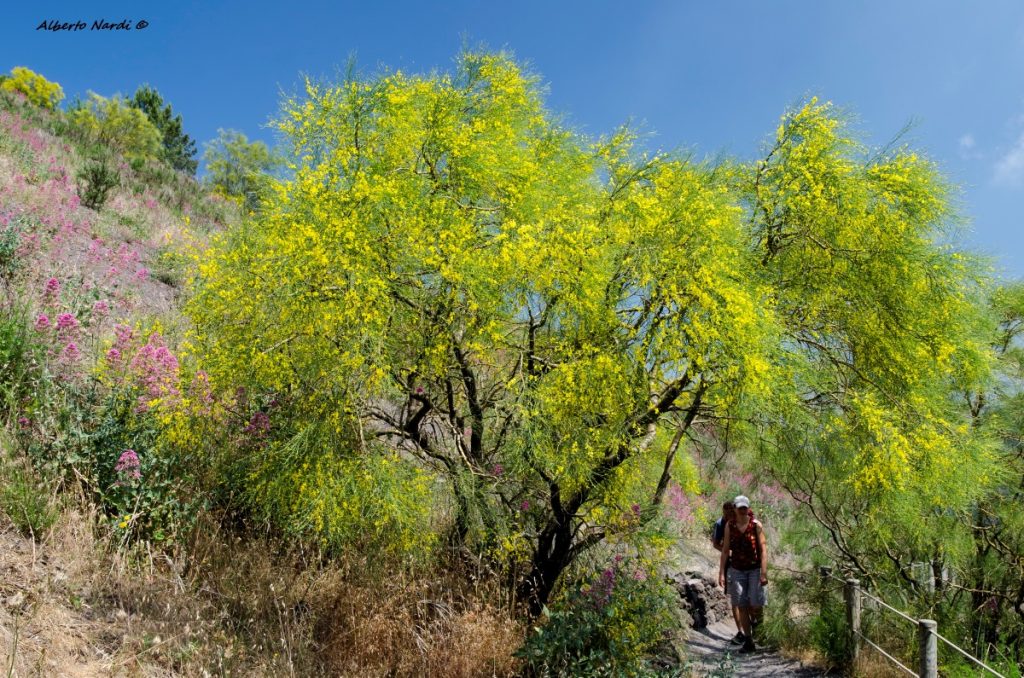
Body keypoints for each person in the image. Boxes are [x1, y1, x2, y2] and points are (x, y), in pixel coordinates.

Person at [718, 494, 767, 654]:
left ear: (748, 508)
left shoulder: (756, 525)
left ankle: (760, 628)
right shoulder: (729, 526)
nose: (742, 510)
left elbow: (763, 550)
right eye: (740, 508)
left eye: (745, 507)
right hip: (737, 570)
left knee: (756, 603)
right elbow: (725, 551)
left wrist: (764, 572)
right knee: (741, 604)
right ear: (735, 509)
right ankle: (748, 640)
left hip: (754, 569)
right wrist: (722, 574)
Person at [711, 500, 743, 643]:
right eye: (725, 513)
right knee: (735, 598)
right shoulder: (720, 524)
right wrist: (729, 552)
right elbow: (716, 544)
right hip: (730, 564)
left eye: (730, 513)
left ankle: (751, 628)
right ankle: (740, 631)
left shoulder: (742, 522)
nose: (728, 515)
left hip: (745, 563)